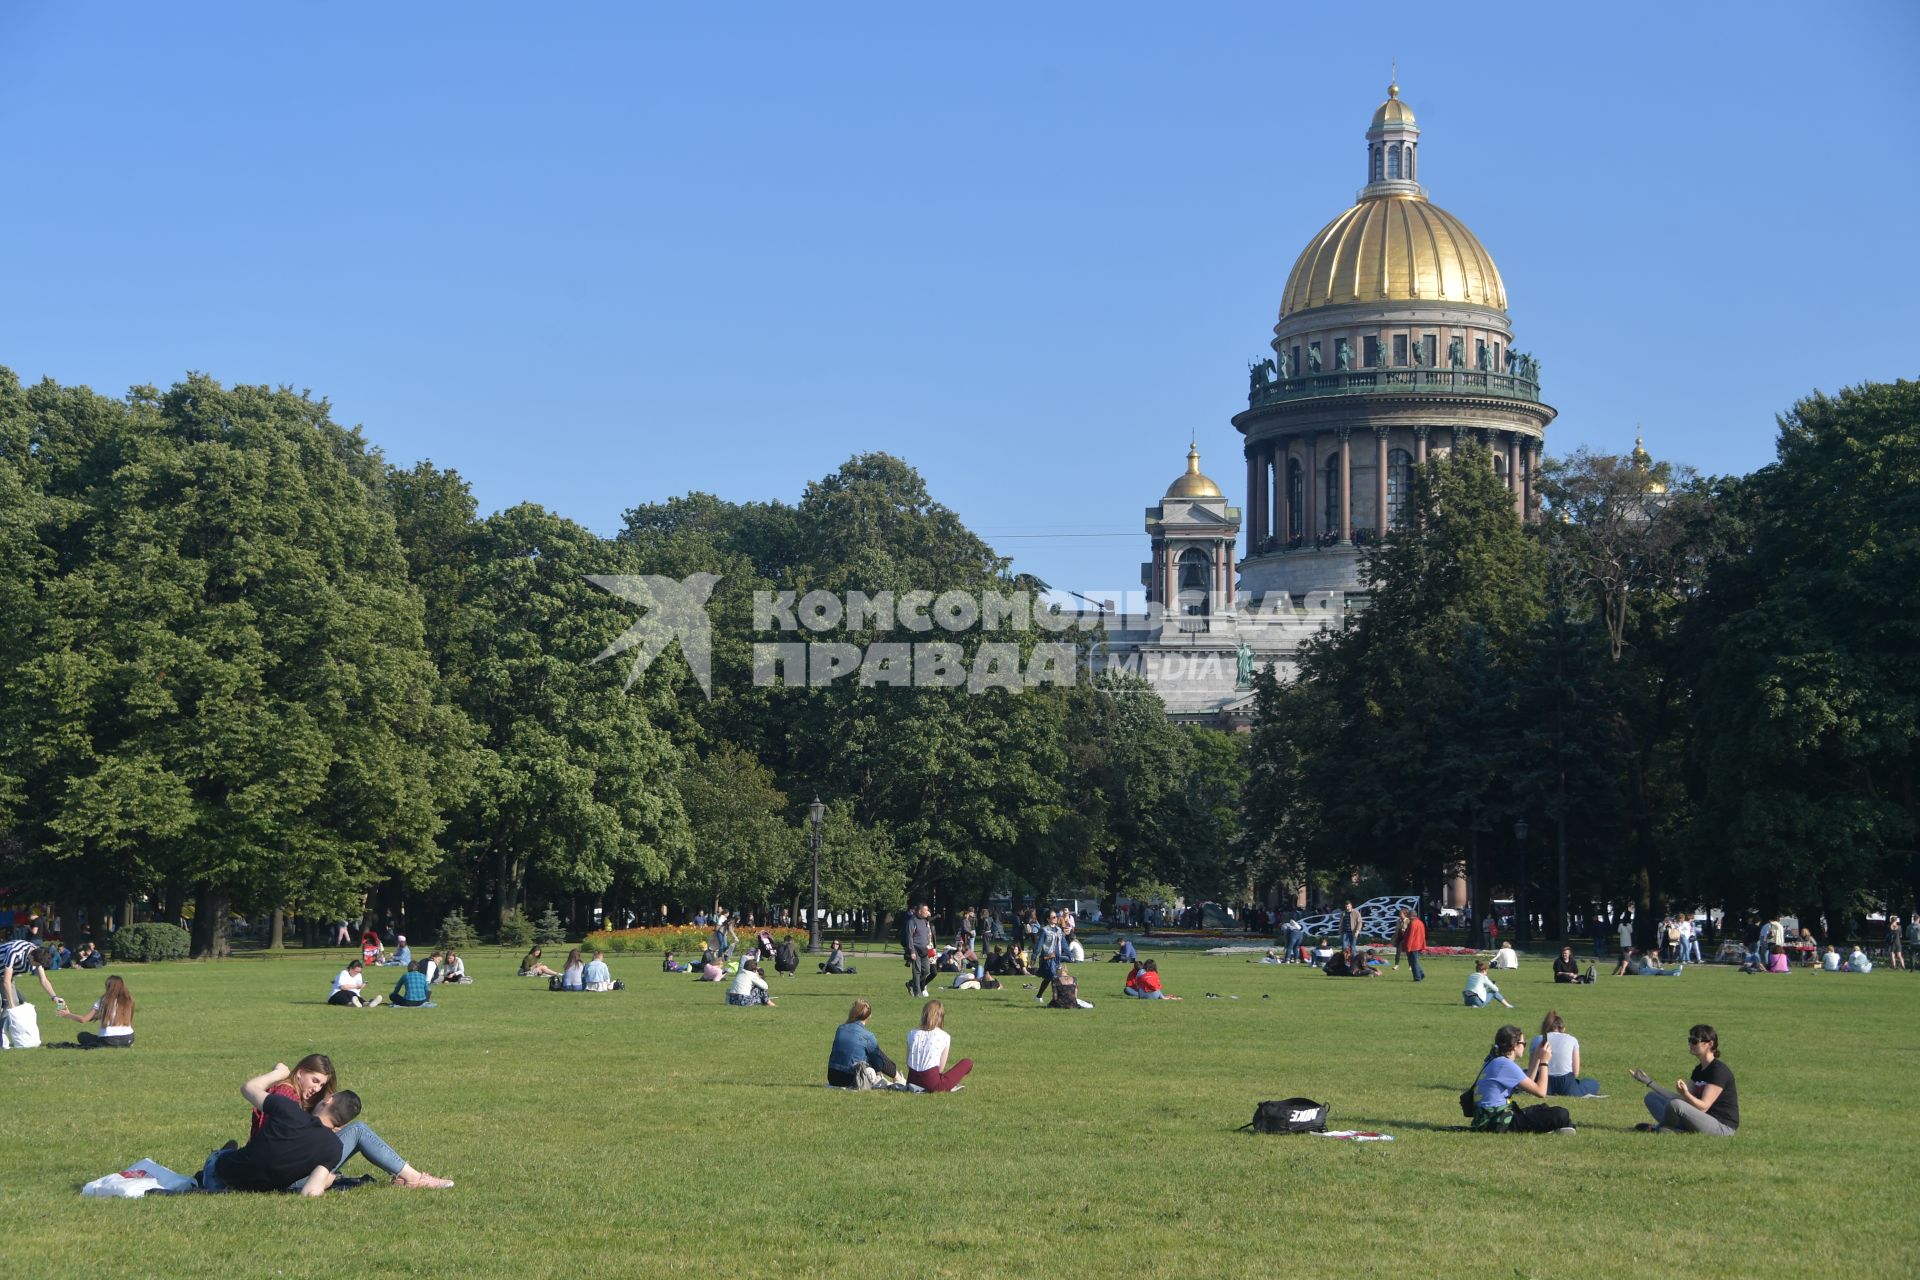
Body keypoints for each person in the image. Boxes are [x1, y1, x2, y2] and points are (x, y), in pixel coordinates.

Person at [243, 1054, 453, 1188]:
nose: (316, 1089)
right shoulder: (284, 1095)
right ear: (299, 1073)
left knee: (348, 1134)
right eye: (314, 1080)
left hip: (281, 1173)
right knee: (358, 1130)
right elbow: (274, 1142)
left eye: (321, 1085)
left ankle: (408, 1175)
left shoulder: (289, 1096)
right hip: (284, 1177)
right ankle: (414, 1178)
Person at [201, 1062, 362, 1195]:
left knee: (221, 1155)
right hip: (255, 1190)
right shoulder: (334, 1148)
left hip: (218, 1177)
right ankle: (229, 1151)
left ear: (328, 1100)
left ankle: (224, 1153)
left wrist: (279, 1073)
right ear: (341, 1124)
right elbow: (310, 1192)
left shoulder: (288, 1108)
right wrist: (325, 1183)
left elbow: (248, 1088)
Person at [1632, 1024, 1738, 1135]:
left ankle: (1660, 1128)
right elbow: (1681, 1099)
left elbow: (1703, 1107)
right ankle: (1672, 1129)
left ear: (1710, 1044)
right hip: (1699, 1120)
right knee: (1652, 1098)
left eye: (1694, 1041)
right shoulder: (1699, 1069)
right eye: (1690, 1040)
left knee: (1676, 1105)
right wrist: (1648, 1081)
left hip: (1721, 1127)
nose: (1690, 1044)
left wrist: (1686, 1094)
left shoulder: (1718, 1071)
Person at [1469, 1025, 1574, 1133]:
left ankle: (1561, 1126)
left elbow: (1528, 1082)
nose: (1524, 1046)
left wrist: (1537, 1057)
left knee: (1541, 1108)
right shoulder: (1505, 1065)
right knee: (1561, 1114)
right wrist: (1544, 1062)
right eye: (1524, 1044)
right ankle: (1562, 1125)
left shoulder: (1496, 1060)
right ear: (1515, 1045)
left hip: (1490, 1119)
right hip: (1498, 1122)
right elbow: (1541, 1092)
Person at [1527, 1010, 1605, 1097]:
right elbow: (1575, 1073)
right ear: (1563, 1028)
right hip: (1566, 1084)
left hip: (1542, 1081)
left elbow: (1532, 1070)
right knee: (1593, 1083)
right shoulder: (1572, 1040)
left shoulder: (1537, 1039)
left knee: (1523, 1073)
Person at [906, 999, 974, 1092]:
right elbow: (940, 1069)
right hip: (932, 1084)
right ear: (940, 1017)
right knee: (968, 1062)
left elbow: (908, 1063)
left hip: (911, 1081)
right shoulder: (944, 1036)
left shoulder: (912, 1033)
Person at [826, 999, 898, 1086]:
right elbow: (878, 1064)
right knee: (876, 1054)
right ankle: (897, 1077)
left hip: (832, 1076)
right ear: (869, 1016)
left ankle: (896, 1075)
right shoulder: (868, 1036)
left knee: (871, 1051)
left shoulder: (840, 1029)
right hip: (851, 1078)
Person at [55, 973, 135, 1048]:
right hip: (129, 1038)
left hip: (109, 1039)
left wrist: (67, 1014)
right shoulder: (128, 1000)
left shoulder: (104, 1000)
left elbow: (83, 1019)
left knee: (82, 1036)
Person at [1, 939, 64, 1017]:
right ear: (31, 957)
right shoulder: (15, 952)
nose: (36, 967)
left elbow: (43, 980)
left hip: (4, 975)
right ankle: (3, 1028)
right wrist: (12, 1006)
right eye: (36, 965)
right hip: (3, 976)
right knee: (11, 1004)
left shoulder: (37, 954)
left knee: (20, 1002)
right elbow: (6, 981)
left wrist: (54, 996)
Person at [1034, 910, 1066, 1004]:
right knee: (1053, 977)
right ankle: (1056, 998)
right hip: (1048, 957)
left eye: (1056, 916)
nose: (1056, 918)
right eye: (1053, 917)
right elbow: (1039, 944)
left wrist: (1069, 953)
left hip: (1057, 957)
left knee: (1048, 978)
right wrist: (1034, 956)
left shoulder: (1059, 930)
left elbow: (1063, 943)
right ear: (1048, 919)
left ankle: (1038, 996)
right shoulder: (1044, 930)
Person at [905, 904, 935, 1000]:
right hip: (916, 949)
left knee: (926, 970)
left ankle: (911, 983)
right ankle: (917, 992)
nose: (927, 912)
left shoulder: (925, 921)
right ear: (919, 911)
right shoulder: (912, 921)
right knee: (917, 972)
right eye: (925, 910)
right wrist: (912, 951)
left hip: (925, 950)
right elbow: (909, 937)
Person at [1402, 908, 1428, 982]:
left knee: (1413, 962)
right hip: (1418, 944)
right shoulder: (1420, 922)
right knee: (1415, 961)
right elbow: (1423, 935)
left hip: (1412, 945)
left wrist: (1408, 947)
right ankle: (1421, 974)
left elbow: (1410, 936)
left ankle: (1417, 977)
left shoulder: (1412, 923)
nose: (1408, 917)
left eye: (1409, 915)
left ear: (1412, 915)